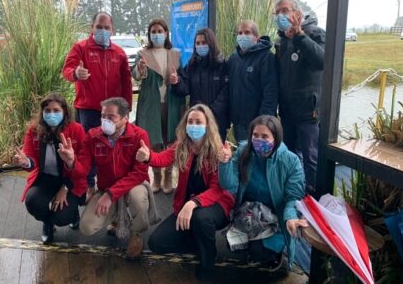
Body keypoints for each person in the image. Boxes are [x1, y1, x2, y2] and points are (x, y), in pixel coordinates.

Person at [136, 104, 235, 281]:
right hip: (187, 206)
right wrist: (148, 156)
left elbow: (218, 189)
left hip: (215, 205)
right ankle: (200, 240)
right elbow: (162, 158)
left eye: (198, 122)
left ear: (208, 125)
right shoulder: (182, 145)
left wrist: (193, 203)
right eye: (190, 121)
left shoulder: (217, 150)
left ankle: (208, 263)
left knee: (201, 218)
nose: (194, 125)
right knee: (156, 243)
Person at [66, 97, 158, 260]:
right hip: (106, 188)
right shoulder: (93, 136)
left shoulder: (139, 136)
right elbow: (82, 171)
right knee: (86, 227)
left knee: (138, 199)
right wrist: (72, 163)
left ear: (125, 118)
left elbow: (139, 173)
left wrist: (110, 195)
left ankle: (136, 234)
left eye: (111, 117)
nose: (105, 121)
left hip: (133, 186)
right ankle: (116, 219)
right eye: (103, 116)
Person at [218, 115, 307, 271]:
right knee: (233, 245)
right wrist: (224, 164)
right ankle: (254, 243)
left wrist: (290, 217)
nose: (259, 140)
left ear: (276, 137)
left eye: (265, 136)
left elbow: (293, 197)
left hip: (275, 219)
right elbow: (229, 185)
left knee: (259, 251)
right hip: (249, 213)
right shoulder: (244, 151)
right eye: (255, 136)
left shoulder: (291, 161)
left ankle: (275, 253)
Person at [62, 12, 133, 198]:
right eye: (99, 27)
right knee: (90, 147)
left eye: (106, 28)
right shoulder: (80, 48)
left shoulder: (119, 53)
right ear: (91, 28)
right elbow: (67, 70)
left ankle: (113, 183)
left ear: (112, 30)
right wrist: (76, 73)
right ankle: (89, 184)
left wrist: (127, 108)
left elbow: (126, 81)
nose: (103, 30)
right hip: (89, 109)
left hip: (115, 112)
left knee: (114, 146)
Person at [14, 92, 87, 244]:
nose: (51, 114)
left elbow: (84, 168)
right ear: (42, 113)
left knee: (61, 217)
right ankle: (47, 223)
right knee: (33, 202)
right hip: (45, 178)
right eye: (47, 111)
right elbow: (31, 158)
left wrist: (71, 165)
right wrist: (26, 162)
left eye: (56, 110)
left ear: (64, 111)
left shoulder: (76, 130)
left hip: (70, 180)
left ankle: (73, 214)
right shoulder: (34, 130)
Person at [274, 0, 325, 192]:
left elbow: (322, 60)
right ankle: (293, 192)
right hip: (287, 110)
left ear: (298, 13)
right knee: (289, 153)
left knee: (310, 157)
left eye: (285, 10)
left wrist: (300, 35)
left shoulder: (315, 34)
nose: (281, 15)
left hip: (308, 111)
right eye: (277, 12)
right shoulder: (281, 42)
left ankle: (313, 197)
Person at [132, 18, 185, 194]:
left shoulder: (175, 54)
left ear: (166, 33)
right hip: (151, 104)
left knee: (171, 138)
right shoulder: (143, 54)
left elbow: (183, 79)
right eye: (153, 32)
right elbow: (135, 75)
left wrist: (178, 81)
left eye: (159, 31)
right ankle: (156, 176)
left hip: (172, 104)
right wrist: (140, 69)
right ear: (149, 34)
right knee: (153, 139)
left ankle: (169, 176)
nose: (156, 34)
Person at [170, 28, 229, 141]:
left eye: (204, 42)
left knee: (215, 153)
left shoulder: (222, 64)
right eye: (198, 43)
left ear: (211, 43)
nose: (200, 46)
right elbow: (185, 88)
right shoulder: (192, 65)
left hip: (217, 119)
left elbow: (226, 91)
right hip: (196, 121)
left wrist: (209, 112)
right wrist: (176, 82)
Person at [228, 20, 278, 142]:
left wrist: (264, 121)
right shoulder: (234, 58)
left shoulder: (266, 57)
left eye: (247, 32)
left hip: (257, 122)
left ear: (256, 37)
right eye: (240, 33)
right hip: (238, 122)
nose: (242, 36)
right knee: (243, 154)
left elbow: (270, 92)